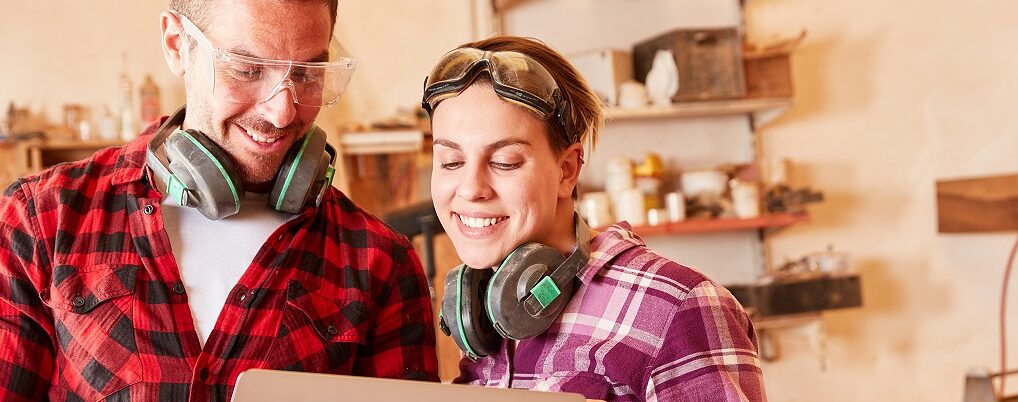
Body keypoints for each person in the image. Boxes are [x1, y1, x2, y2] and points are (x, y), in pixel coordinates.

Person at [0, 1, 438, 400]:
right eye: (247, 69)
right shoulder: (41, 219)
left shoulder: (380, 261)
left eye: (307, 73)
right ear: (177, 46)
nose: (282, 111)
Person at [423, 36, 766, 401]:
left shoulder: (680, 307)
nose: (471, 188)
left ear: (567, 170)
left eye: (505, 162)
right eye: (451, 162)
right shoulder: (483, 316)